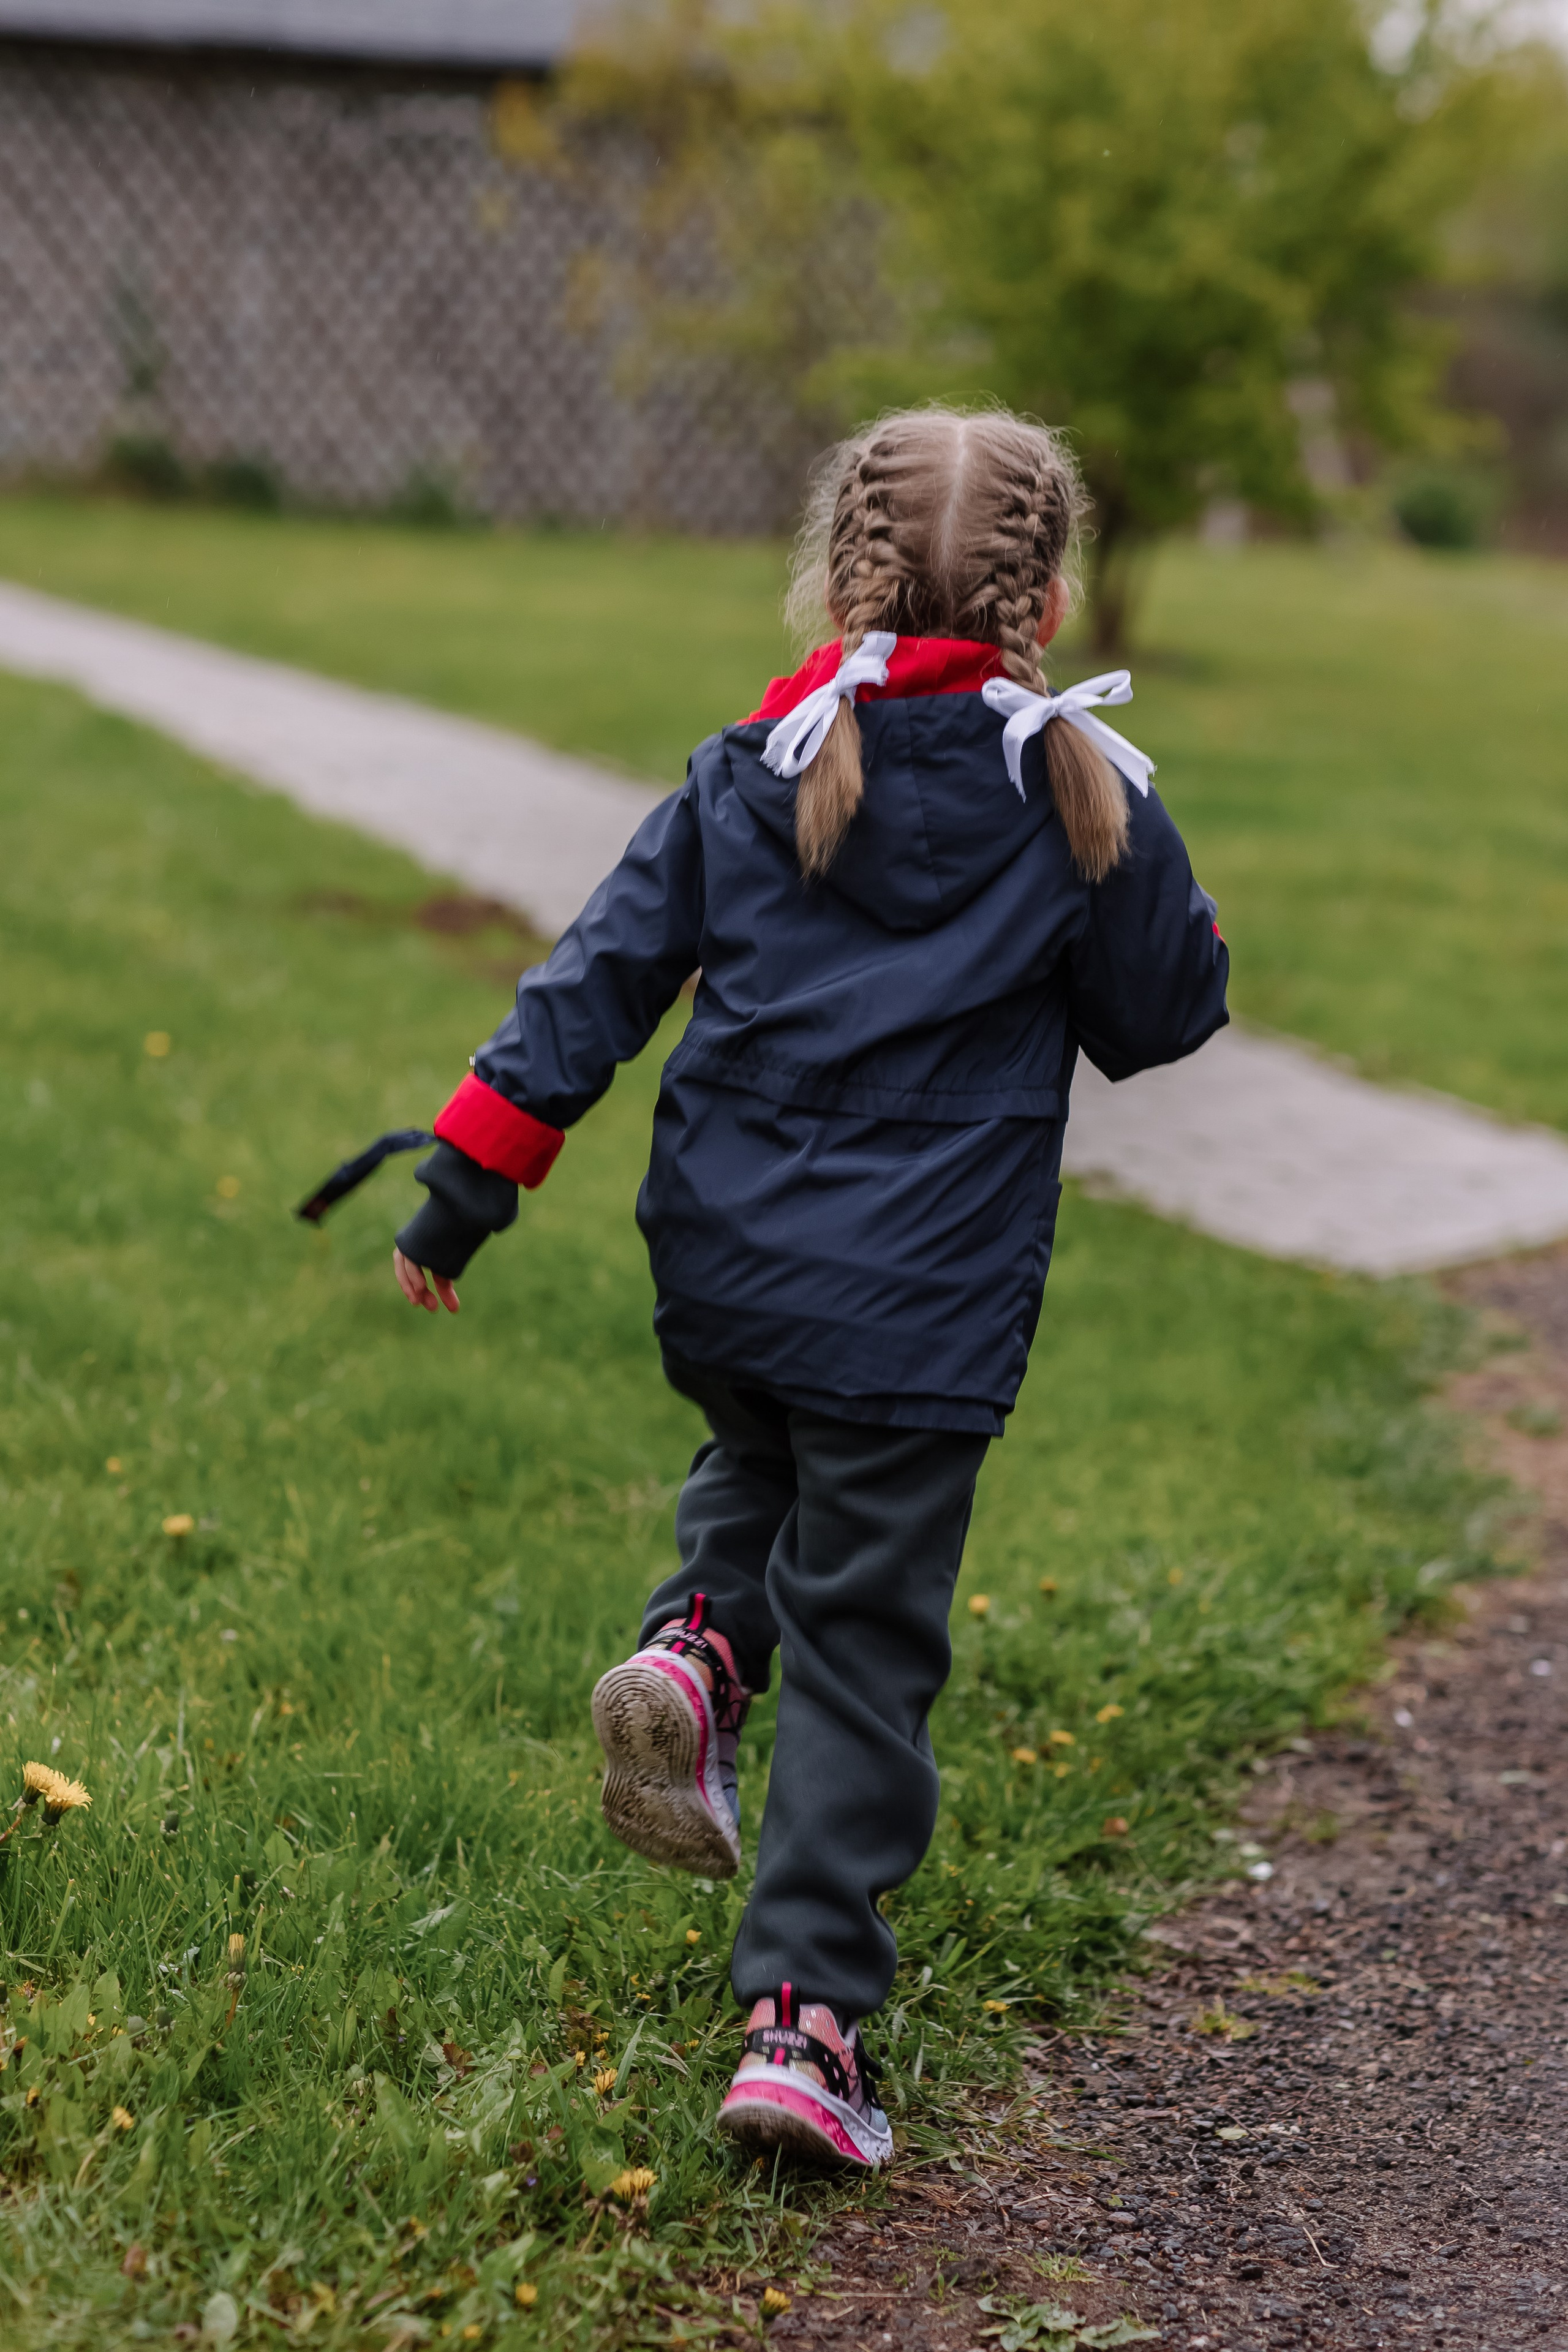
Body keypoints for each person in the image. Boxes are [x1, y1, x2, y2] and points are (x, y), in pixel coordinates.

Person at [391, 406, 1229, 2170]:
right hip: (919, 1309)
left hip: (730, 1262)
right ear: (1049, 600)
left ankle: (696, 1643)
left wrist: (467, 1180)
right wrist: (1147, 877)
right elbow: (1165, 1018)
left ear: (838, 574)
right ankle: (808, 2024)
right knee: (862, 1645)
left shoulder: (748, 764)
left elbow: (594, 983)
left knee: (764, 1460)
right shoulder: (1076, 800)